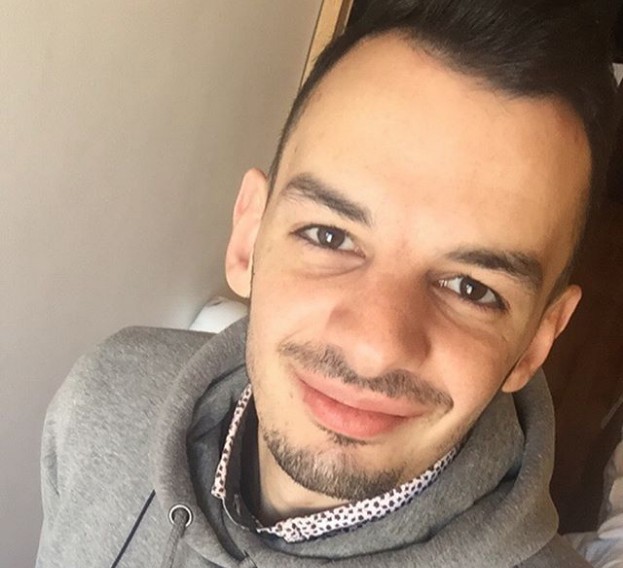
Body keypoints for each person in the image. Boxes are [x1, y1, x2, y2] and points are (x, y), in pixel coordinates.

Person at [36, 1, 618, 567]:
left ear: (537, 342)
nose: (374, 347)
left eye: (470, 287)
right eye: (330, 236)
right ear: (249, 237)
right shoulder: (106, 396)